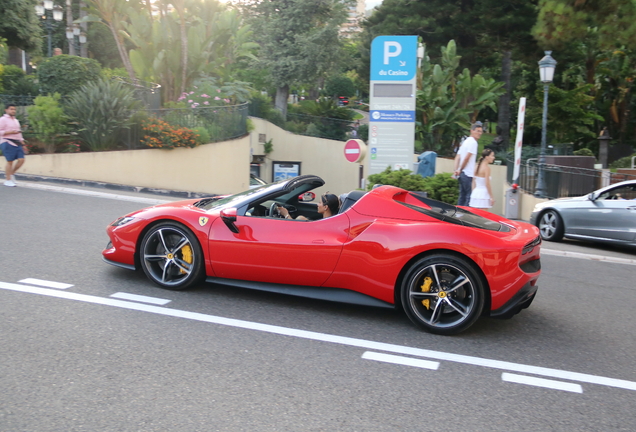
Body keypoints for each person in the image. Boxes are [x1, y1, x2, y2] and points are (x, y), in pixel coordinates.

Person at [454, 121, 483, 206]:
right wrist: (459, 169)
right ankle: (464, 217)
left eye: (480, 131)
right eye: (477, 131)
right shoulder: (473, 142)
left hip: (462, 174)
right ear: (472, 131)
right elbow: (467, 157)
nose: (479, 133)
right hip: (468, 174)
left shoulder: (465, 141)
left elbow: (458, 157)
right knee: (468, 197)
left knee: (462, 196)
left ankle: (458, 215)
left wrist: (456, 170)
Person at [0, 104, 26, 187]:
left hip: (17, 142)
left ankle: (11, 174)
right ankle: (8, 180)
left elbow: (19, 133)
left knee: (21, 160)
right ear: (6, 110)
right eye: (11, 109)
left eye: (14, 109)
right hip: (7, 141)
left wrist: (23, 143)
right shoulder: (2, 119)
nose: (13, 111)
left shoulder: (16, 120)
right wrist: (10, 132)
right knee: (10, 161)